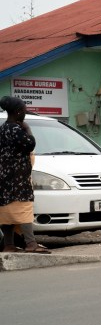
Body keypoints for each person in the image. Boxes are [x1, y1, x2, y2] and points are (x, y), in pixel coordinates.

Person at [0, 96, 50, 253]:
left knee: (6, 212)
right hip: (18, 178)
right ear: (18, 112)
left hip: (4, 177)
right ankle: (31, 243)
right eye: (25, 110)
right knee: (24, 209)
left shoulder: (2, 129)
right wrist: (27, 129)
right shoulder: (16, 129)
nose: (26, 113)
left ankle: (8, 244)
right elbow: (29, 144)